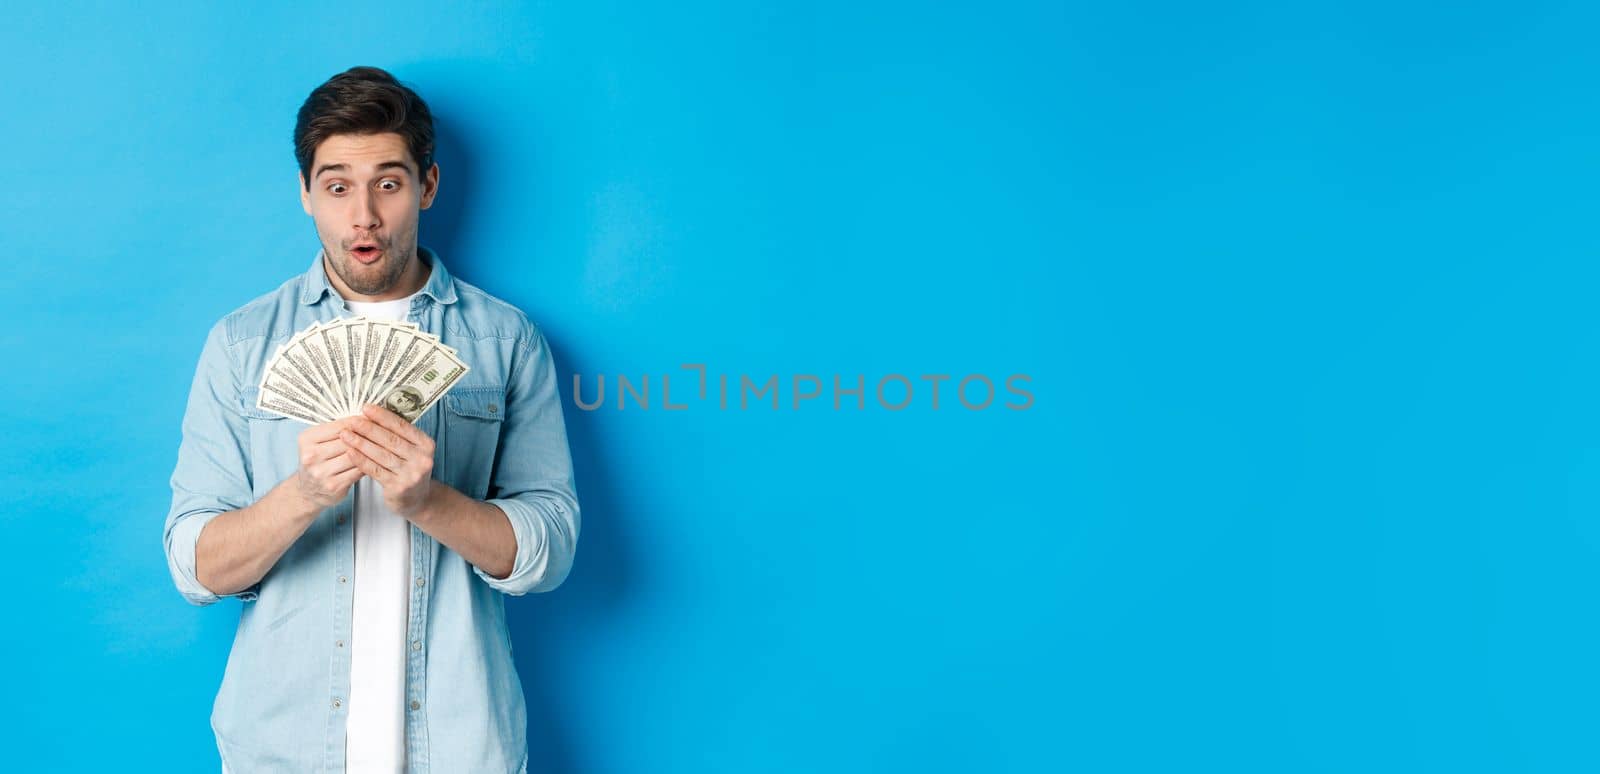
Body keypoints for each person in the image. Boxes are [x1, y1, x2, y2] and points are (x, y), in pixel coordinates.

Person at [162, 66, 581, 774]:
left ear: (428, 186)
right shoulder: (240, 344)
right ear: (305, 194)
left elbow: (552, 548)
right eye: (336, 186)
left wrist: (429, 500)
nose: (363, 216)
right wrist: (305, 493)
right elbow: (195, 565)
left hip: (459, 746)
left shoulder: (506, 340)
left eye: (387, 183)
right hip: (281, 750)